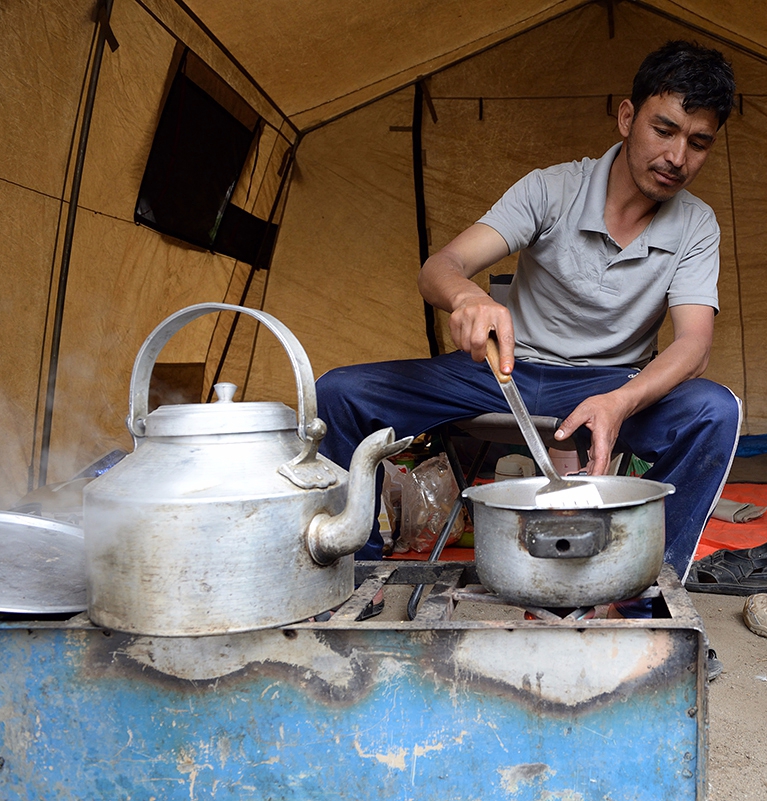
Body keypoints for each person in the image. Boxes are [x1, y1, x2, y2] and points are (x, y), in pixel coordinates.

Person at [316, 41, 742, 596]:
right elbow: (440, 266)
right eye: (664, 130)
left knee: (713, 410)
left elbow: (694, 345)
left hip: (611, 386)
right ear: (627, 117)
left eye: (699, 143)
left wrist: (620, 401)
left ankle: (645, 596)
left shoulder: (696, 225)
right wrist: (468, 298)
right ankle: (353, 579)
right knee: (341, 392)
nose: (677, 158)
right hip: (506, 370)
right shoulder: (552, 188)